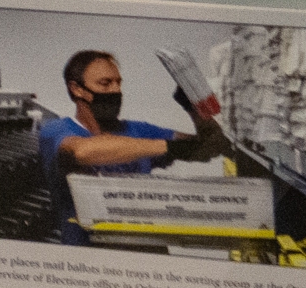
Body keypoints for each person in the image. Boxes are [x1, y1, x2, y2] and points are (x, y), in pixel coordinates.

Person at [31, 49, 227, 242]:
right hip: (89, 258)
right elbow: (84, 151)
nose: (116, 90)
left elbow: (210, 147)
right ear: (77, 89)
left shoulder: (138, 131)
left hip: (145, 252)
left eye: (118, 83)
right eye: (105, 83)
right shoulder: (56, 130)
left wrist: (193, 106)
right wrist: (171, 147)